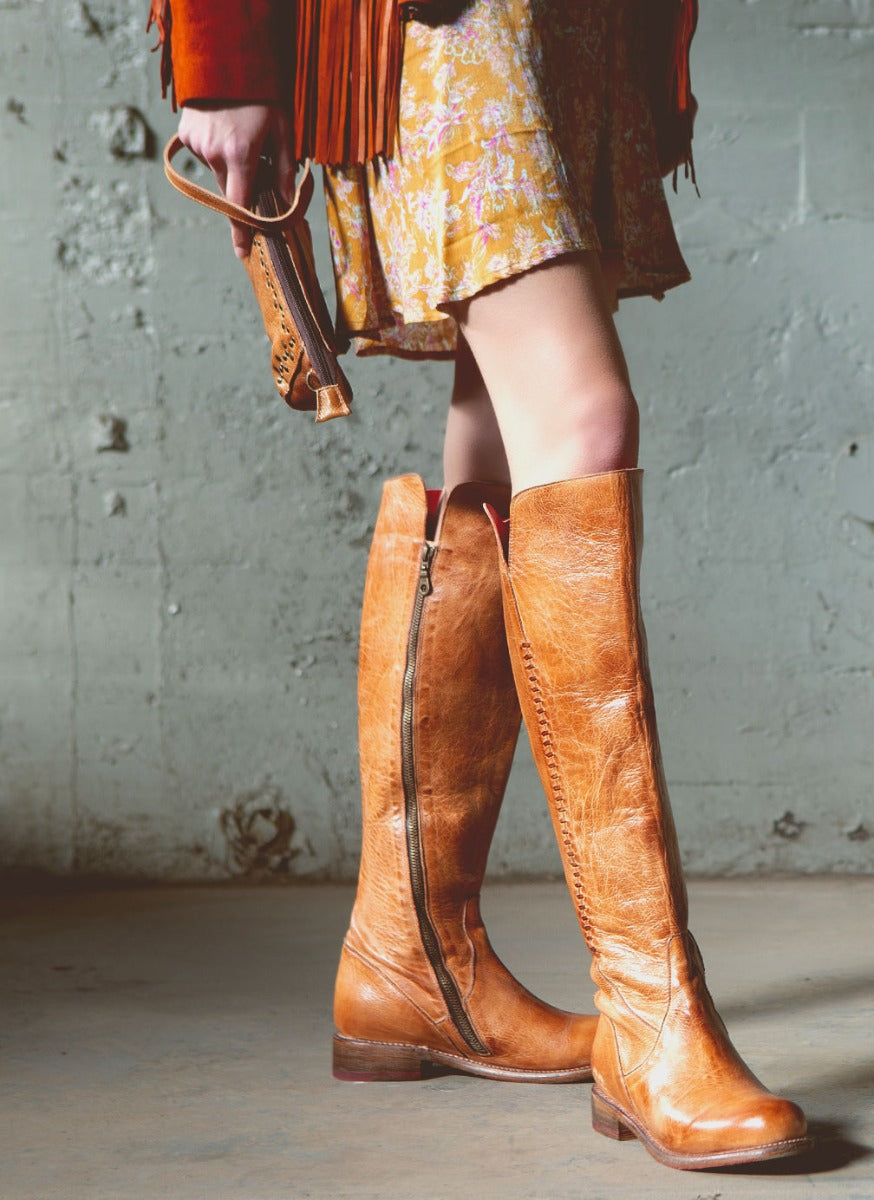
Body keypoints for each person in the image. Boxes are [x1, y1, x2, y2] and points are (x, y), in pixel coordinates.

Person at [148, 0, 812, 1171]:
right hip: (436, 24)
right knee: (582, 419)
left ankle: (409, 949)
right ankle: (651, 1012)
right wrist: (219, 56)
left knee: (499, 433)